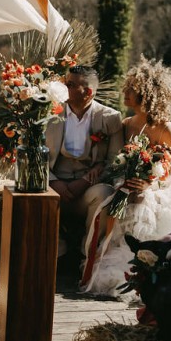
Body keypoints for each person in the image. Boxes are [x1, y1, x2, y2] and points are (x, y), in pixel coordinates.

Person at [81, 57, 171, 297]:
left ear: (148, 93)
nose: (126, 92)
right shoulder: (126, 124)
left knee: (143, 201)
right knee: (120, 198)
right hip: (127, 185)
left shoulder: (166, 128)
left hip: (157, 188)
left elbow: (170, 177)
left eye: (132, 89)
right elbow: (116, 162)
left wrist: (149, 183)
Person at [46, 65, 124, 256]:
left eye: (71, 85)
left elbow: (116, 162)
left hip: (87, 189)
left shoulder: (110, 118)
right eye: (66, 83)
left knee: (105, 194)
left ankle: (88, 255)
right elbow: (34, 155)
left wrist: (84, 182)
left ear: (88, 92)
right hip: (52, 187)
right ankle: (56, 250)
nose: (65, 88)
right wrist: (54, 181)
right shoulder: (48, 113)